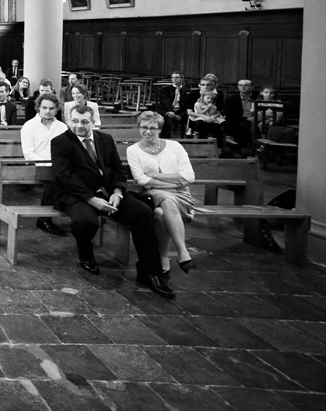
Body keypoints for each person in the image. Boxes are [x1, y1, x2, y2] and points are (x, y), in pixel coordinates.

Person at [51, 106, 175, 298]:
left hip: (108, 192)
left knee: (143, 213)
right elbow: (64, 177)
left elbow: (118, 169)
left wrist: (117, 191)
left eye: (84, 122)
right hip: (77, 194)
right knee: (87, 222)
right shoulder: (61, 142)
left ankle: (150, 271)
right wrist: (92, 200)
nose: (79, 126)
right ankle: (85, 252)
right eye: (74, 121)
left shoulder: (105, 139)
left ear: (93, 121)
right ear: (69, 120)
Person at [126, 111, 197, 275]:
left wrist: (155, 176)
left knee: (160, 212)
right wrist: (175, 182)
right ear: (138, 128)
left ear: (160, 129)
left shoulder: (175, 146)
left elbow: (189, 176)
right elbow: (141, 180)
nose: (148, 132)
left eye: (153, 128)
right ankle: (183, 253)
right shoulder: (133, 150)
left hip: (181, 196)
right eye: (144, 127)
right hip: (151, 195)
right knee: (165, 199)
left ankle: (164, 256)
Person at [19, 92, 67, 236]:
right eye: (44, 108)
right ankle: (44, 219)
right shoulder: (29, 126)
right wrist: (47, 165)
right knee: (55, 177)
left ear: (56, 110)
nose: (48, 111)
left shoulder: (62, 127)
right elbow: (29, 154)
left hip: (59, 166)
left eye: (51, 108)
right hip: (37, 166)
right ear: (38, 108)